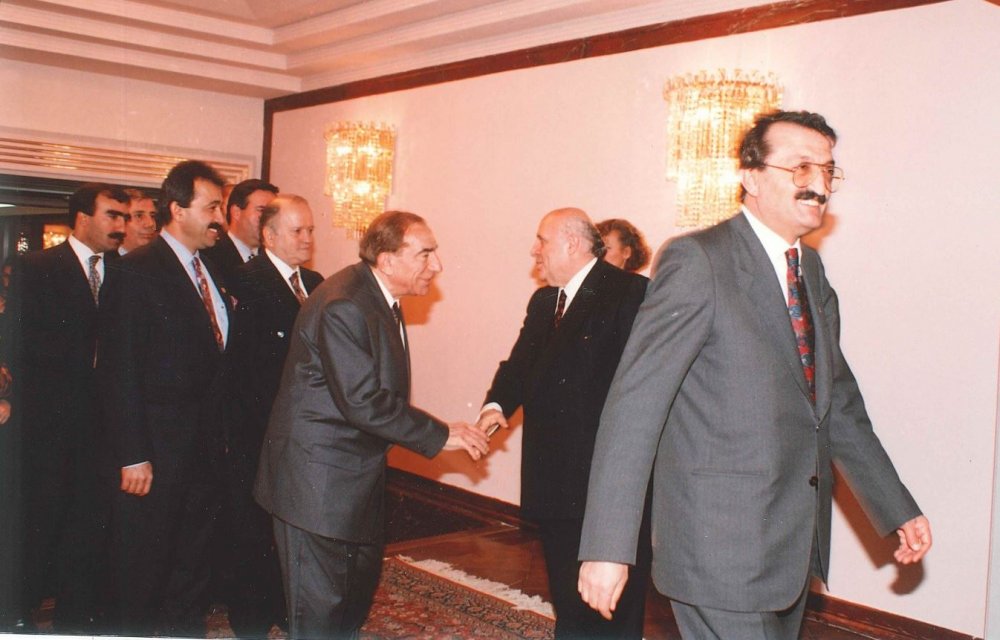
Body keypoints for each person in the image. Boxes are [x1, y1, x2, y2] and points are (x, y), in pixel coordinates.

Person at [577, 110, 932, 639]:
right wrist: (607, 547)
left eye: (827, 171)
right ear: (751, 177)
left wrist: (894, 505)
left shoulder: (809, 270)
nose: (819, 185)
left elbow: (834, 402)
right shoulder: (699, 260)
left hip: (789, 548)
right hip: (716, 549)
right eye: (801, 167)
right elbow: (635, 407)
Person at [254, 210, 490, 639]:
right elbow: (362, 401)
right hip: (317, 484)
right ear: (387, 259)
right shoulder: (345, 303)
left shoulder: (376, 297)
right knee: (319, 615)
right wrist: (440, 434)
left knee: (348, 605)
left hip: (349, 477)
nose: (436, 265)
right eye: (425, 254)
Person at [475, 208, 650, 638]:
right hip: (554, 481)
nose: (534, 251)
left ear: (572, 243)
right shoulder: (545, 300)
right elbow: (520, 364)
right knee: (568, 597)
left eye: (541, 240)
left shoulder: (630, 293)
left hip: (603, 484)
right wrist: (496, 405)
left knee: (611, 607)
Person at [99, 160, 232, 636]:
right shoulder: (136, 271)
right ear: (177, 209)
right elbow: (119, 371)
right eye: (211, 207)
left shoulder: (212, 267)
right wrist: (133, 454)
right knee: (143, 563)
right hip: (156, 452)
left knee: (193, 557)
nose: (220, 218)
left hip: (205, 449)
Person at [14, 183, 128, 631]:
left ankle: (75, 624)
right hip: (50, 428)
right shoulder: (38, 267)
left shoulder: (126, 272)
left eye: (124, 217)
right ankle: (17, 617)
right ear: (82, 217)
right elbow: (20, 345)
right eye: (112, 215)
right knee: (39, 530)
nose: (121, 226)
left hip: (103, 434)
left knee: (88, 534)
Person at [221, 194, 323, 637]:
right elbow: (241, 369)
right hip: (257, 430)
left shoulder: (316, 283)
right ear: (269, 235)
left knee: (293, 526)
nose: (307, 238)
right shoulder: (245, 281)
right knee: (253, 530)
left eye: (310, 230)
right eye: (298, 231)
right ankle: (250, 621)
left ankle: (284, 606)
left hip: (303, 432)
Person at [203, 178, 278, 281]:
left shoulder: (274, 258)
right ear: (236, 212)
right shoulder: (211, 256)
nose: (269, 219)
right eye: (262, 210)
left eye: (273, 213)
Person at [120, 188, 158, 254]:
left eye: (152, 216)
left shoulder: (163, 259)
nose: (150, 224)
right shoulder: (103, 258)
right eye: (139, 216)